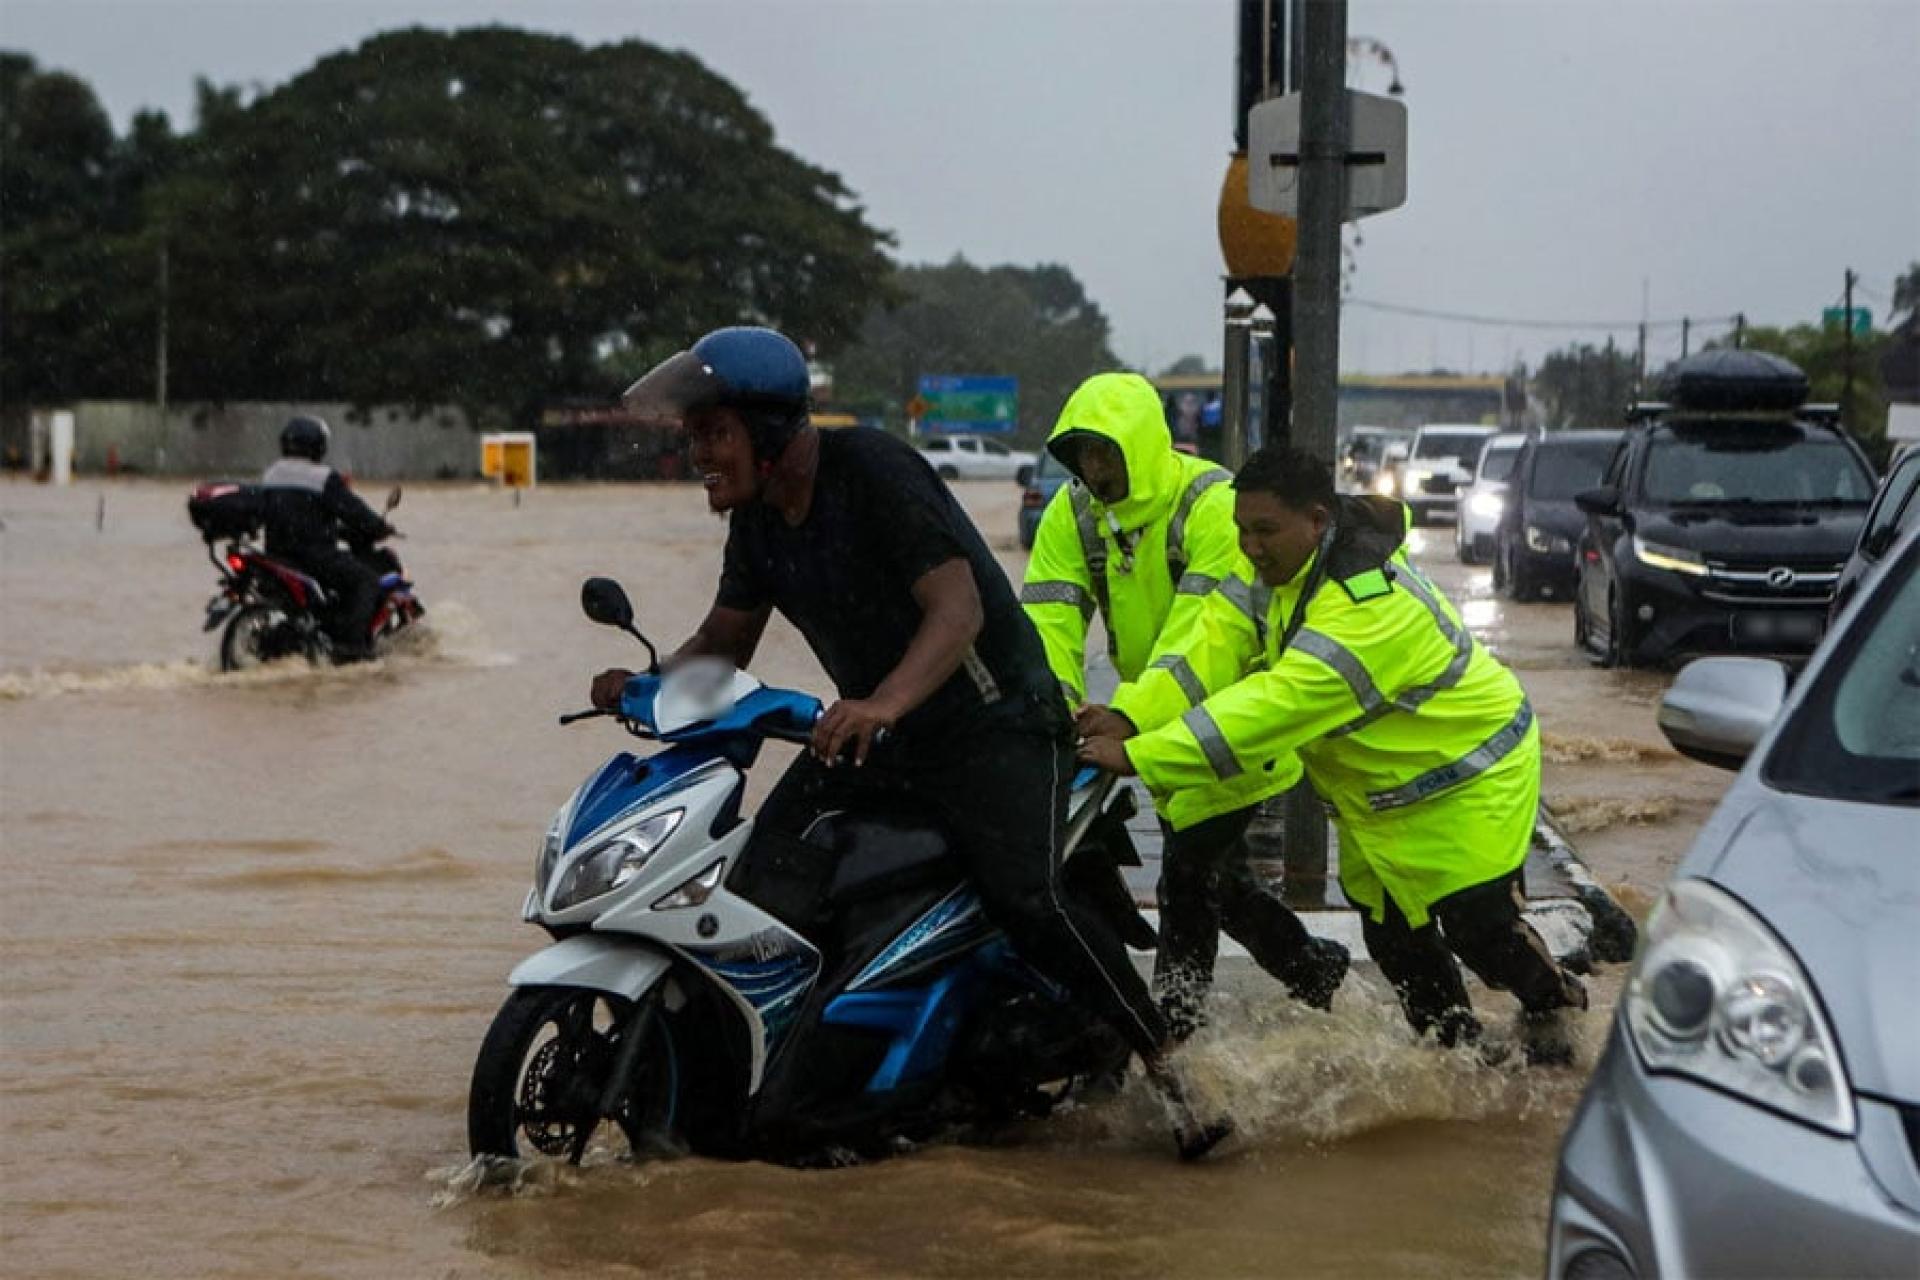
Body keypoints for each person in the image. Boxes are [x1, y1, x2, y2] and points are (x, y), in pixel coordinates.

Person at [590, 327, 1231, 1157]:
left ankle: (1175, 1070)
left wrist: (883, 703)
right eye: (693, 437)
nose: (699, 454)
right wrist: (649, 683)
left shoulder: (874, 472)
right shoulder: (757, 521)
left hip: (993, 727)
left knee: (1024, 895)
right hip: (881, 731)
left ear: (774, 430)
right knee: (759, 875)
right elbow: (727, 640)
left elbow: (955, 610)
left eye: (715, 434)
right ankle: (788, 1079)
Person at [1078, 446, 1587, 1064]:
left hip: (1470, 781)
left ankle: (1556, 1005)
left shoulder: (1366, 609)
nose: (1250, 546)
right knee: (1395, 941)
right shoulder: (1268, 575)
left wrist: (1143, 755)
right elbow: (1205, 649)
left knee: (1478, 927)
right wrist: (1133, 714)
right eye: (1241, 529)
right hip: (1381, 798)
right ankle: (1459, 1058)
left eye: (1265, 530)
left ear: (1317, 521)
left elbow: (1271, 708)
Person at [1020, 373, 1348, 1039]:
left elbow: (1205, 640)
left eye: (1107, 452)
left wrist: (1131, 717)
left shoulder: (1212, 506)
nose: (1095, 468)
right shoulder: (1074, 513)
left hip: (1228, 721)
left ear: (1141, 445)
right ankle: (1313, 969)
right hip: (1150, 727)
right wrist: (1051, 708)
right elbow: (1050, 620)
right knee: (1219, 885)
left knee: (1187, 883)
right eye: (1082, 455)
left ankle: (1174, 1035)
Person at [260, 415, 391, 660]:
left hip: (277, 556)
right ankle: (352, 646)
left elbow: (285, 513)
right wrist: (378, 526)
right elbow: (354, 511)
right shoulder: (322, 477)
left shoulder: (271, 475)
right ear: (318, 446)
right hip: (315, 557)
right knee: (367, 581)